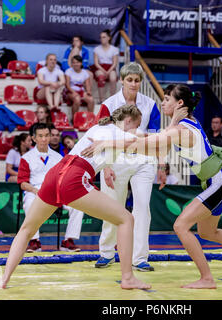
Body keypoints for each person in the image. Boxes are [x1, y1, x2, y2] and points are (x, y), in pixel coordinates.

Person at [82, 84, 222, 289]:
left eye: (167, 99)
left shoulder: (180, 129)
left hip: (219, 182)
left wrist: (107, 144)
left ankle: (207, 278)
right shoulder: (185, 123)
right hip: (219, 181)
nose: (162, 102)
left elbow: (149, 142)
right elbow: (153, 140)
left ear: (180, 103)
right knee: (207, 232)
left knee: (180, 226)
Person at [0, 105, 151, 290]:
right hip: (75, 177)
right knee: (126, 218)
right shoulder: (119, 133)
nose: (138, 128)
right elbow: (147, 141)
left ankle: (4, 279)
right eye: (137, 124)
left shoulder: (98, 128)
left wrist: (107, 166)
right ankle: (128, 278)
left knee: (26, 229)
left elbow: (100, 151)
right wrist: (172, 125)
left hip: (55, 175)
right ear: (127, 121)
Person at [95, 62, 160, 272]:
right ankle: (106, 252)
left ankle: (139, 257)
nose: (133, 83)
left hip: (144, 159)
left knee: (143, 208)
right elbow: (99, 136)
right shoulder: (108, 104)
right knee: (112, 206)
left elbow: (157, 138)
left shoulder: (150, 104)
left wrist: (161, 165)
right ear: (122, 80)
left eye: (137, 80)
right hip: (116, 159)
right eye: (129, 79)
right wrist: (105, 166)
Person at [16, 123, 64, 252]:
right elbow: (22, 183)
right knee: (29, 203)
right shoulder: (26, 158)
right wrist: (35, 190)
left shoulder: (59, 158)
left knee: (78, 205)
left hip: (55, 191)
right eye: (40, 136)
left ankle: (68, 240)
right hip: (34, 190)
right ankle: (34, 241)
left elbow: (62, 179)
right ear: (34, 138)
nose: (44, 139)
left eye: (47, 135)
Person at [90, 29, 119, 103]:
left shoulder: (114, 49)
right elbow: (96, 63)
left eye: (104, 37)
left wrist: (108, 71)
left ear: (109, 38)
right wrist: (104, 71)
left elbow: (114, 63)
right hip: (100, 67)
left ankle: (112, 100)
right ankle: (102, 100)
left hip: (111, 68)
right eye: (101, 37)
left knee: (113, 78)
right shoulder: (97, 49)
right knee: (101, 78)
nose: (102, 39)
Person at [64, 55, 95, 120]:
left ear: (81, 63)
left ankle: (90, 119)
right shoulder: (68, 71)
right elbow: (67, 85)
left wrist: (88, 92)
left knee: (91, 100)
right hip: (70, 91)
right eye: (74, 62)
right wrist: (74, 92)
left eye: (77, 62)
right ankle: (74, 119)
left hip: (81, 90)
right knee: (77, 99)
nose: (75, 64)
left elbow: (87, 85)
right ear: (72, 63)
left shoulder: (85, 73)